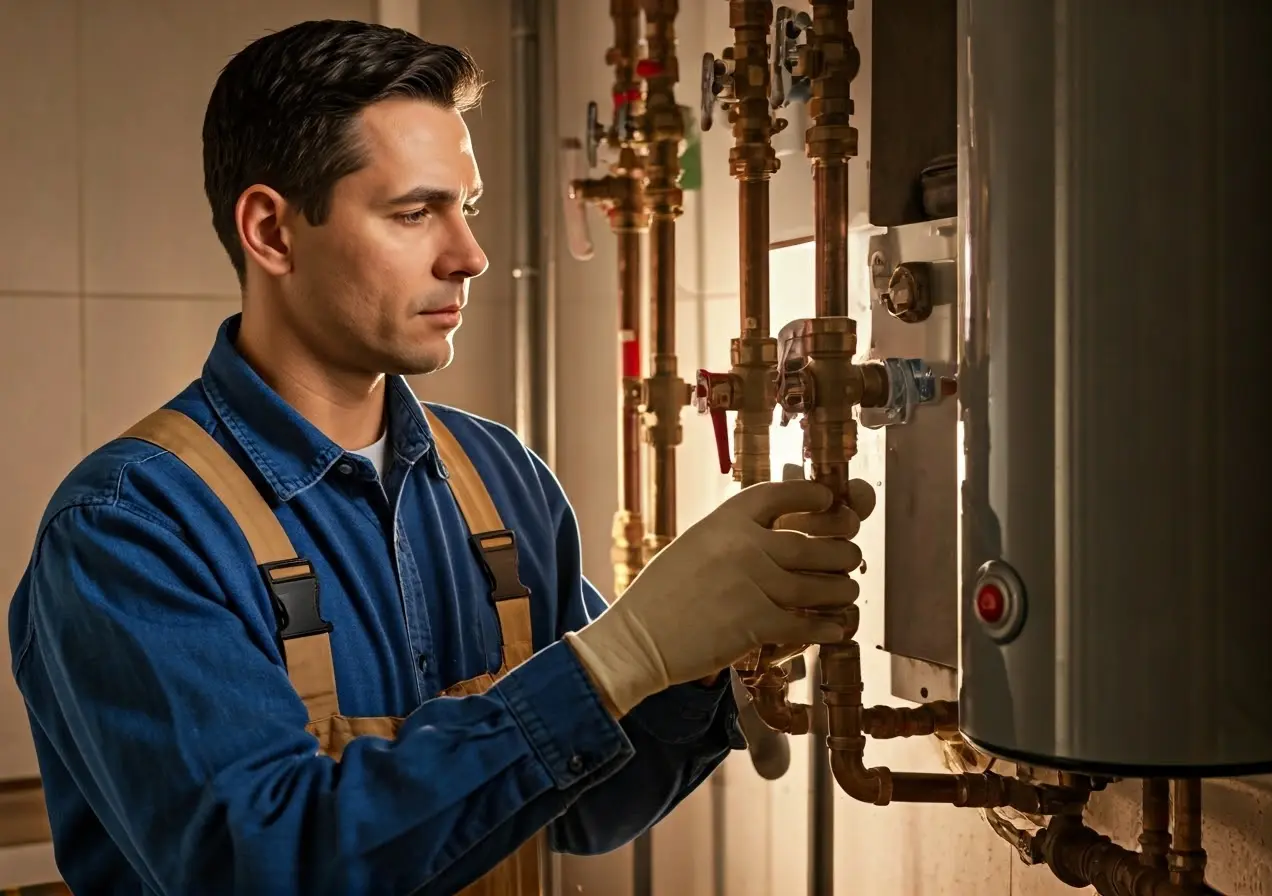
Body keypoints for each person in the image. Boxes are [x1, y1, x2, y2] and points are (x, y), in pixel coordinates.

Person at [7, 19, 873, 896]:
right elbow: (271, 868)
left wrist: (702, 661)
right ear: (271, 231)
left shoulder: (499, 478)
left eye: (469, 208)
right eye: (415, 212)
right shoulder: (128, 529)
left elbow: (580, 807)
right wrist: (622, 655)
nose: (469, 256)